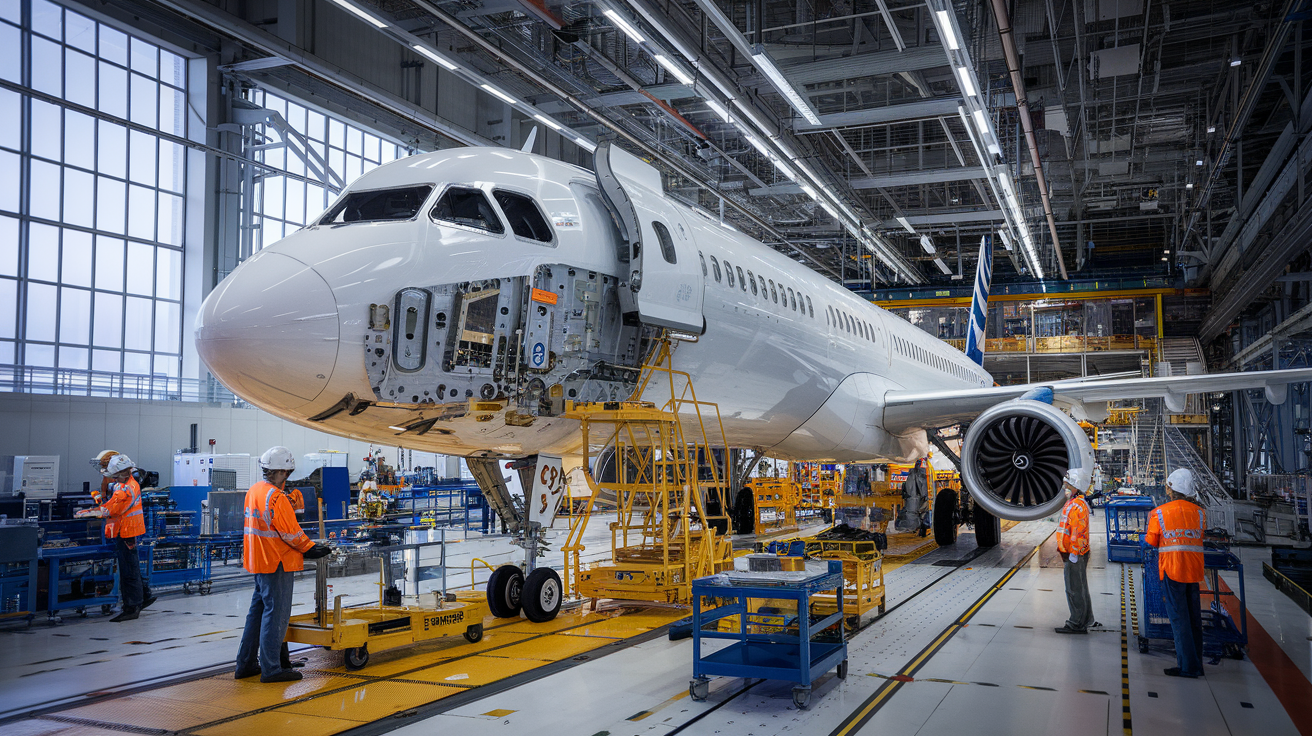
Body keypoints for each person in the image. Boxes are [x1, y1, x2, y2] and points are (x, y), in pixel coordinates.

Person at [235, 446, 331, 683]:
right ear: (281, 472)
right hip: (277, 562)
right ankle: (272, 669)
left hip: (258, 561)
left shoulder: (255, 490)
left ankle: (246, 664)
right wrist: (311, 548)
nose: (287, 478)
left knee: (256, 614)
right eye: (287, 473)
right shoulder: (276, 497)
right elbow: (291, 533)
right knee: (275, 616)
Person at [1145, 468, 1207, 678]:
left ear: (1171, 488)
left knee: (1179, 620)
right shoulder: (1199, 512)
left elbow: (1151, 541)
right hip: (1194, 571)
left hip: (1172, 571)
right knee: (1193, 619)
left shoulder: (1160, 512)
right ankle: (1197, 663)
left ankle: (1187, 667)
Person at [96, 452, 155, 622]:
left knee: (129, 569)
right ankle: (143, 596)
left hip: (126, 530)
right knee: (132, 566)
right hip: (128, 530)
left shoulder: (126, 487)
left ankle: (132, 606)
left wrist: (97, 502)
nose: (112, 478)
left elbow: (111, 508)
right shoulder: (128, 482)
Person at [1054, 469, 1098, 634]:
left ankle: (1076, 623)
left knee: (1074, 589)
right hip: (1073, 553)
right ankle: (1086, 619)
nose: (1064, 485)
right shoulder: (1074, 503)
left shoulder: (1078, 506)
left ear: (1075, 486)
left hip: (1075, 554)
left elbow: (1078, 533)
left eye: (1067, 483)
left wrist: (1074, 554)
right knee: (1080, 587)